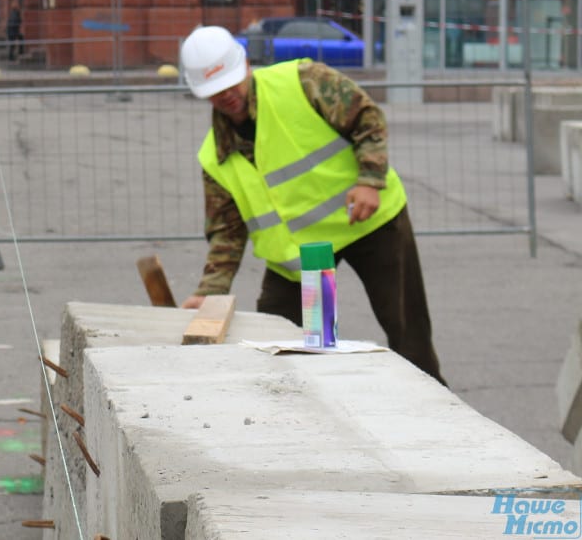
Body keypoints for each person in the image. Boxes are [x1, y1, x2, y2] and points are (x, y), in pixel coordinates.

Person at [178, 26, 443, 382]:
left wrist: (370, 180)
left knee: (407, 330)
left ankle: (430, 405)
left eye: (230, 83)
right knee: (277, 339)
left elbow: (367, 118)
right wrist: (210, 291)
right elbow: (227, 231)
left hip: (369, 222)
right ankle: (301, 413)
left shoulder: (303, 81)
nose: (226, 95)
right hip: (303, 254)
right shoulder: (215, 157)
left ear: (245, 66)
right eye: (214, 91)